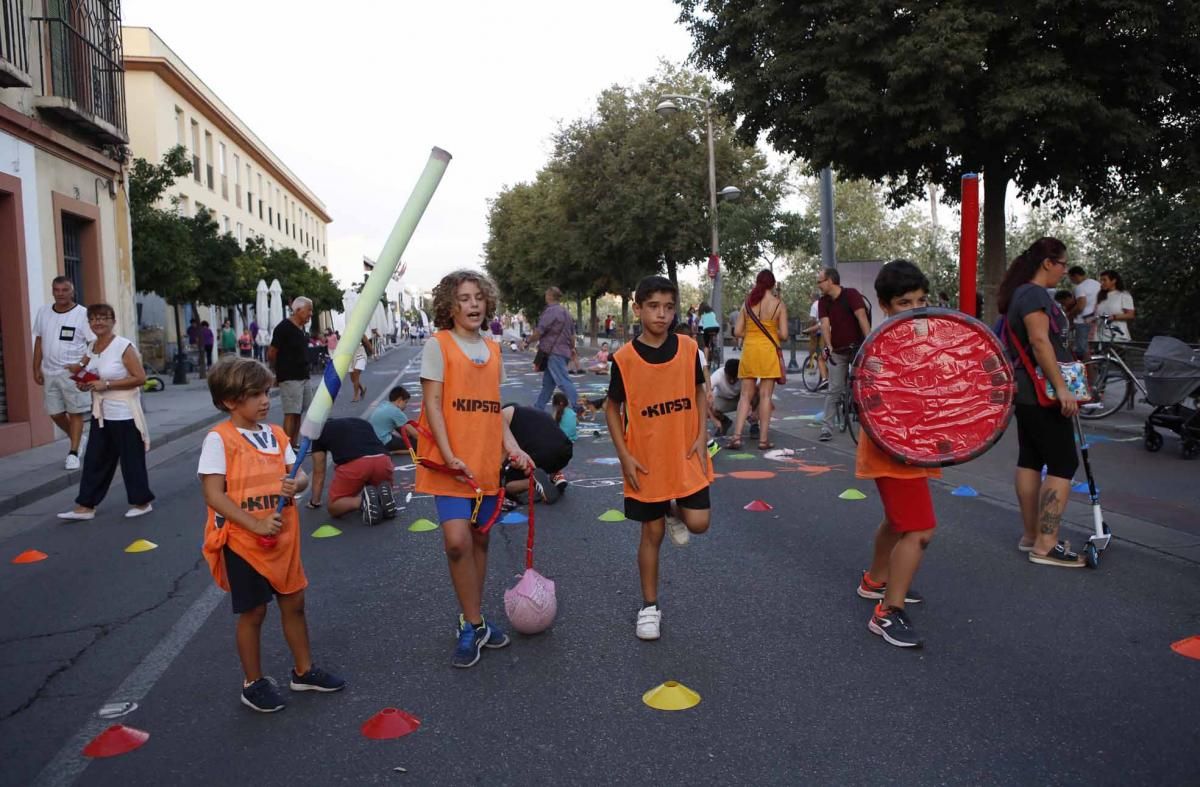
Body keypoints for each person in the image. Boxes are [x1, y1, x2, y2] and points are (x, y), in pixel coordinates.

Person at [199, 357, 345, 712]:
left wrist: (298, 482)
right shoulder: (219, 440)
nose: (266, 400)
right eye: (256, 394)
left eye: (267, 392)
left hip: (283, 540)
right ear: (230, 400)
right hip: (244, 542)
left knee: (295, 604)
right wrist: (255, 524)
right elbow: (213, 494)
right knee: (253, 613)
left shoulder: (276, 434)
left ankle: (304, 670)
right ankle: (253, 682)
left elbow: (299, 475)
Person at [415, 269, 532, 668]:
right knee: (456, 542)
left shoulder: (494, 350)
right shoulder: (439, 346)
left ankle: (474, 621)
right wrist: (448, 454)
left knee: (480, 540)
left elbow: (495, 411)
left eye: (479, 297)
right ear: (450, 306)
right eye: (464, 298)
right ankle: (474, 620)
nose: (474, 304)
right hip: (450, 465)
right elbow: (433, 405)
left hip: (484, 461)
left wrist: (513, 448)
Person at [606, 276, 712, 642]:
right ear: (637, 309)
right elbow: (611, 407)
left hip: (684, 453)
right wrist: (624, 455)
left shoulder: (687, 348)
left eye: (669, 307)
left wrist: (701, 434)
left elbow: (699, 391)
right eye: (653, 306)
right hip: (646, 460)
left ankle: (674, 511)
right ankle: (649, 606)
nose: (662, 314)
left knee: (699, 523)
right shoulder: (624, 359)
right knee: (651, 533)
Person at [851, 261, 943, 649]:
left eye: (921, 300)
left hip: (914, 447)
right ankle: (888, 611)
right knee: (920, 531)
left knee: (897, 521)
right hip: (892, 448)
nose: (916, 308)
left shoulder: (922, 340)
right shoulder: (879, 348)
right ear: (885, 306)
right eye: (905, 302)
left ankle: (875, 581)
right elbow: (872, 404)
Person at [999, 237, 1084, 568]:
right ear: (1048, 262)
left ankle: (1032, 535)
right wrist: (1062, 388)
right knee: (1063, 464)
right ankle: (1046, 544)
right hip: (1042, 392)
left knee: (1031, 459)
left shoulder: (1018, 293)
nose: (1064, 272)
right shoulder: (1034, 294)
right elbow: (1039, 341)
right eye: (1063, 265)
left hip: (1024, 391)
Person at [56, 303, 154, 520]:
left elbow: (140, 378)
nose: (98, 322)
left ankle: (142, 502)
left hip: (124, 413)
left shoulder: (123, 347)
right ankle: (85, 506)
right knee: (95, 459)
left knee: (131, 460)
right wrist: (84, 382)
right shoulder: (91, 347)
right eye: (93, 319)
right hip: (101, 413)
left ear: (113, 321)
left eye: (103, 318)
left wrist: (107, 384)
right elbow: (90, 373)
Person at [32, 276, 94, 469]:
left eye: (64, 290)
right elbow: (40, 341)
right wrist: (35, 367)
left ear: (72, 291)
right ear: (52, 291)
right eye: (56, 290)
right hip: (50, 372)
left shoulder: (82, 314)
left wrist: (82, 365)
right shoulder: (43, 312)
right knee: (55, 413)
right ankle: (78, 438)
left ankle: (73, 453)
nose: (60, 294)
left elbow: (94, 343)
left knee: (75, 412)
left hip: (73, 373)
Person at [733, 270, 788, 450]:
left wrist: (753, 333)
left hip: (750, 350)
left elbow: (737, 332)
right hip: (768, 352)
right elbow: (785, 335)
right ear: (772, 284)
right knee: (765, 396)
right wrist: (772, 331)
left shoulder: (747, 303)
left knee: (745, 396)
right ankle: (763, 440)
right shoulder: (778, 304)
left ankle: (736, 437)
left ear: (757, 282)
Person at [817, 268, 871, 442]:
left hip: (857, 348)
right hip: (838, 351)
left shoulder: (851, 294)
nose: (818, 285)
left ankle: (872, 425)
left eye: (820, 281)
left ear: (830, 280)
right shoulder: (823, 302)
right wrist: (829, 346)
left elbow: (861, 317)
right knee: (834, 389)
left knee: (865, 387)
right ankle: (827, 428)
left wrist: (869, 344)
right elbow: (825, 325)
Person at [305, 416, 395, 519]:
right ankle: (381, 498)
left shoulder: (318, 433)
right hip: (383, 460)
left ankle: (362, 501)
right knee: (378, 489)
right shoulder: (360, 422)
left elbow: (319, 472)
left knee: (334, 506)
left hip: (356, 465)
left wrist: (314, 501)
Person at [501, 403, 574, 503]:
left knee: (508, 485)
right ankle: (555, 477)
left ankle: (533, 483)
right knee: (542, 458)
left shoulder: (502, 417)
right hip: (566, 450)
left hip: (541, 452)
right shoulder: (532, 412)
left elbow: (503, 456)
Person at [525, 286, 580, 412]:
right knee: (548, 384)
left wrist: (527, 341)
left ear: (549, 296)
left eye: (546, 295)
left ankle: (578, 406)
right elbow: (572, 336)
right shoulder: (566, 313)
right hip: (563, 351)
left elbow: (539, 331)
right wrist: (572, 349)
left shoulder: (550, 311)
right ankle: (538, 407)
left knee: (563, 381)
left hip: (553, 352)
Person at [268, 297, 314, 449]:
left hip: (303, 375)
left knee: (300, 411)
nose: (311, 314)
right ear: (298, 310)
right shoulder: (284, 328)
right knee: (291, 412)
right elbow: (272, 352)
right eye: (309, 310)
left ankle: (293, 443)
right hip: (290, 376)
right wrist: (276, 372)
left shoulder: (301, 328)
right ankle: (285, 447)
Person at [369, 386, 420, 454]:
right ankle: (393, 451)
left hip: (375, 440)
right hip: (384, 441)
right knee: (418, 445)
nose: (406, 405)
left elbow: (400, 428)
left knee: (402, 429)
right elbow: (415, 434)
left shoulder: (384, 404)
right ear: (399, 400)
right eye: (405, 402)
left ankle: (391, 449)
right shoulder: (396, 412)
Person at [1067, 266, 1101, 360]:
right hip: (1095, 319)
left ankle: (1085, 370)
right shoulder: (1097, 284)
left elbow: (1081, 305)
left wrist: (1070, 315)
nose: (1071, 281)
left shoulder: (1080, 287)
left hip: (1082, 322)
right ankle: (1094, 371)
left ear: (1076, 276)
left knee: (1082, 350)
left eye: (1071, 278)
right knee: (1092, 348)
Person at [1095, 269, 1135, 343]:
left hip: (1118, 336)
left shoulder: (1123, 294)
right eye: (1101, 280)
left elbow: (1130, 315)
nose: (1102, 283)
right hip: (1100, 337)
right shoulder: (1100, 296)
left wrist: (1114, 317)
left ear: (1114, 281)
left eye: (1104, 280)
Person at [803, 292, 828, 385]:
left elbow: (813, 320)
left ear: (813, 298)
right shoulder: (825, 303)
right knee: (827, 354)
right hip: (832, 333)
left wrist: (809, 330)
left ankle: (825, 379)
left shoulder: (815, 305)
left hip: (823, 334)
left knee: (822, 357)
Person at [350, 335, 371, 402]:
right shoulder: (346, 332)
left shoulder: (359, 329)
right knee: (353, 379)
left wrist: (374, 352)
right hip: (351, 356)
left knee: (356, 376)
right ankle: (362, 390)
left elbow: (367, 341)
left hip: (360, 354)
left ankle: (356, 396)